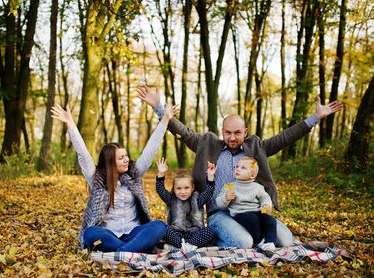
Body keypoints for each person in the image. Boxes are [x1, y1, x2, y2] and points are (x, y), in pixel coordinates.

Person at [136, 85, 343, 248]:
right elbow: (183, 130)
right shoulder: (207, 144)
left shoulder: (255, 147)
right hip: (220, 214)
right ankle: (217, 238)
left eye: (237, 133)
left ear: (245, 132)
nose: (232, 137)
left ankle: (252, 236)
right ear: (222, 131)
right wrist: (158, 108)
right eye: (228, 133)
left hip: (252, 211)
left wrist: (315, 118)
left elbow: (284, 138)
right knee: (244, 243)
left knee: (287, 242)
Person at [51, 102, 180, 252]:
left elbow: (151, 149)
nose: (126, 160)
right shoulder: (97, 179)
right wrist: (70, 124)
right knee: (90, 233)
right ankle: (133, 250)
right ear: (110, 162)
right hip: (109, 234)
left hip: (134, 233)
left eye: (126, 156)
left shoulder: (134, 174)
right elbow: (83, 154)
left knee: (159, 226)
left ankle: (122, 252)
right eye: (121, 158)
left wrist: (165, 119)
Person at [215, 156, 277, 251]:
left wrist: (266, 204)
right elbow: (219, 202)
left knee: (271, 220)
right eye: (237, 166)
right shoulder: (229, 186)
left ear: (252, 175)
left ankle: (269, 243)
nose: (238, 169)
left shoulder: (257, 187)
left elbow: (265, 197)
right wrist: (226, 198)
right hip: (240, 213)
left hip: (256, 211)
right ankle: (258, 241)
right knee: (251, 219)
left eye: (243, 168)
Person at [156, 158, 216, 250]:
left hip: (195, 234)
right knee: (163, 229)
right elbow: (160, 190)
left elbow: (208, 192)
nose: (183, 192)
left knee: (209, 231)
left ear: (192, 188)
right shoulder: (171, 199)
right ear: (174, 189)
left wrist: (210, 176)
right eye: (179, 188)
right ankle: (186, 246)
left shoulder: (197, 199)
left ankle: (183, 247)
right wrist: (161, 173)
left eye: (186, 188)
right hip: (176, 234)